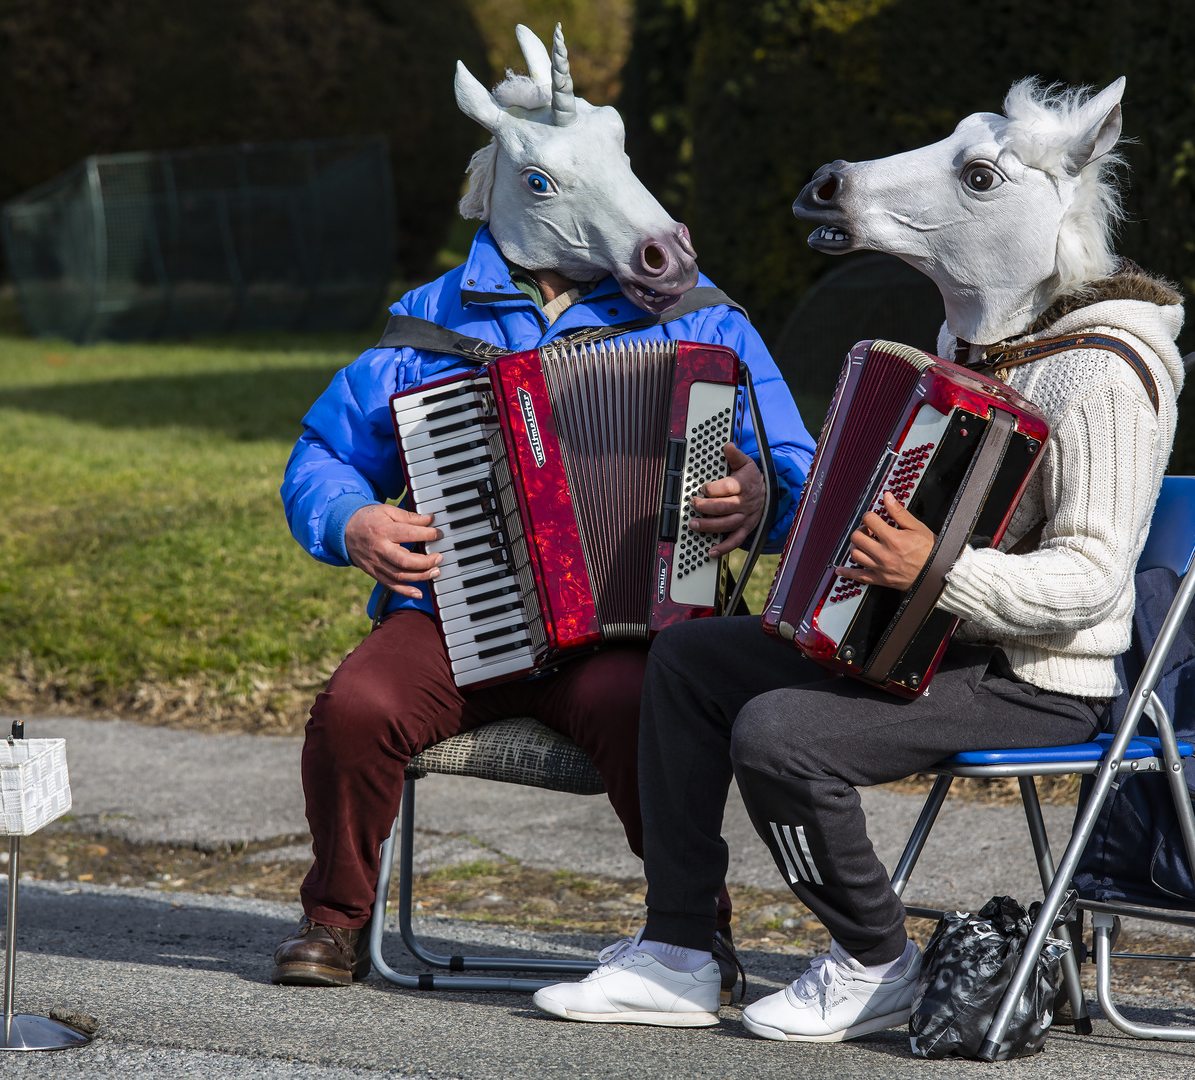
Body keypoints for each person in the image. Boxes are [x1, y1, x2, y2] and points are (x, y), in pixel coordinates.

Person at [532, 78, 1185, 1041]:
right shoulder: (973, 344)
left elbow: (1089, 580)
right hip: (927, 635)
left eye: (974, 179)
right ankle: (676, 951)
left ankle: (877, 959)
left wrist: (933, 569)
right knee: (689, 658)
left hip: (1033, 673)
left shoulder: (1105, 371)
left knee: (778, 732)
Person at [271, 24, 814, 989]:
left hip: (624, 632)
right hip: (453, 614)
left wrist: (759, 503)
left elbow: (795, 473)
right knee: (356, 705)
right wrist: (349, 521)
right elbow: (321, 454)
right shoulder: (429, 321)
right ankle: (335, 919)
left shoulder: (705, 323)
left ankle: (691, 935)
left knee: (650, 703)